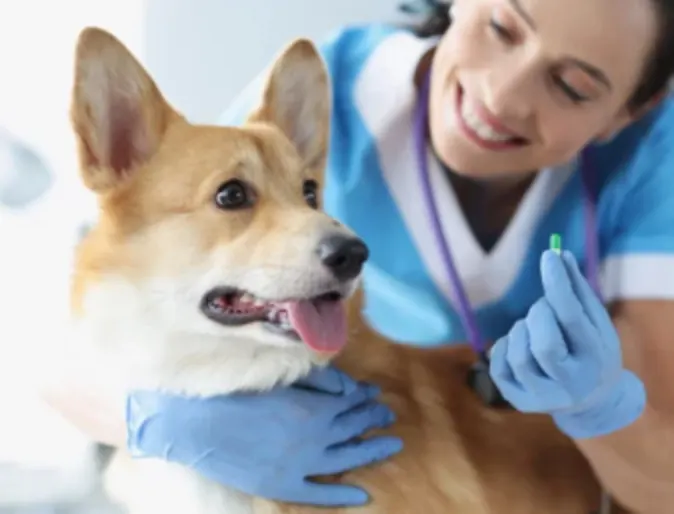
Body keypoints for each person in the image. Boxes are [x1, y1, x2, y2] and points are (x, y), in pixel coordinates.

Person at [45, 0, 674, 511]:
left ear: (630, 111)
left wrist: (601, 405)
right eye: (502, 27)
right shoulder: (328, 93)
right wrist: (152, 419)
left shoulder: (654, 165)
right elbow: (85, 325)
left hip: (512, 458)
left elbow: (663, 479)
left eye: (571, 86)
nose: (503, 96)